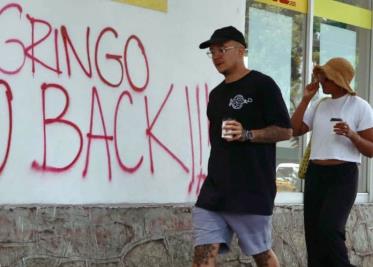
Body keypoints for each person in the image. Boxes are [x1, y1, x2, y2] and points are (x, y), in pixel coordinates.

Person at [192, 25, 292, 267]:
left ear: (241, 50)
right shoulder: (215, 95)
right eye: (212, 52)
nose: (216, 56)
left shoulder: (262, 85)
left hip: (252, 189)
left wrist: (247, 134)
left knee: (261, 254)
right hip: (214, 190)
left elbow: (285, 130)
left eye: (222, 49)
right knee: (203, 253)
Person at [291, 57, 373, 267]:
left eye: (325, 78)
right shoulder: (320, 104)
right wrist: (305, 99)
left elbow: (371, 150)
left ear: (339, 80)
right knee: (314, 235)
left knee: (330, 229)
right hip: (315, 174)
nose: (320, 81)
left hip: (343, 176)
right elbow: (295, 129)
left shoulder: (360, 106)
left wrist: (352, 135)